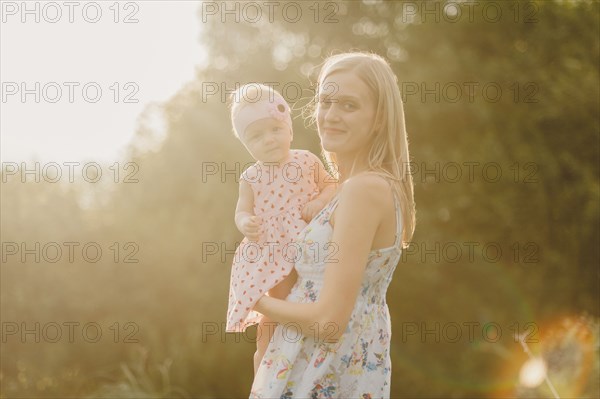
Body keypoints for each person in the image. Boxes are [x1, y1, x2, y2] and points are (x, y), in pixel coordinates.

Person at [249, 52, 416, 398]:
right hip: (301, 367)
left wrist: (253, 298)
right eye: (326, 101)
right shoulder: (346, 189)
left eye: (349, 105)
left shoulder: (364, 189)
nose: (331, 116)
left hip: (323, 376)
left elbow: (329, 323)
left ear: (379, 118)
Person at [225, 83, 337, 377]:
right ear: (246, 144)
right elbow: (241, 210)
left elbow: (332, 185)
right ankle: (264, 368)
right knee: (275, 308)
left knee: (313, 299)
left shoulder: (306, 160)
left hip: (310, 245)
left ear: (288, 128)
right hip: (273, 249)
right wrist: (245, 223)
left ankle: (307, 362)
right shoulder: (251, 177)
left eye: (275, 129)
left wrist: (321, 200)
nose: (269, 140)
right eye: (257, 136)